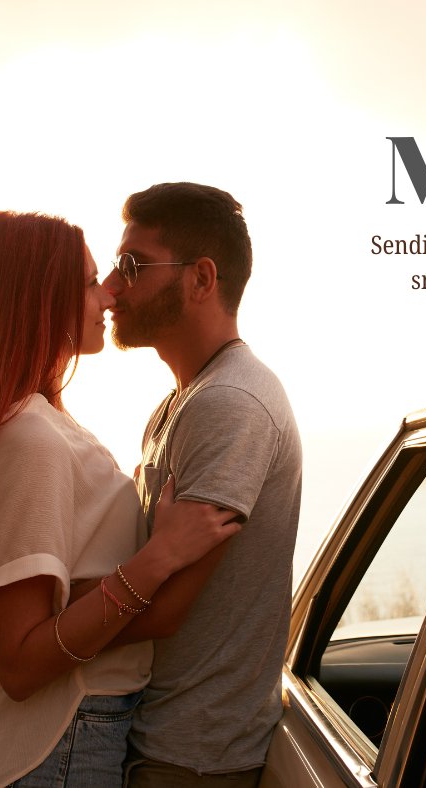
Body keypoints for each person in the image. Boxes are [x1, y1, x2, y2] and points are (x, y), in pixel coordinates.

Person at [0, 211, 240, 787]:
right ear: (41, 300)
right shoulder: (34, 439)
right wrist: (159, 558)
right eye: (93, 280)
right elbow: (20, 664)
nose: (110, 294)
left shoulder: (40, 425)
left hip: (65, 738)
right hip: (57, 745)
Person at [102, 182, 302, 787]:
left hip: (190, 759)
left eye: (133, 266)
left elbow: (164, 609)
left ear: (201, 278)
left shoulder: (228, 404)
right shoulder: (182, 402)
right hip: (166, 740)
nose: (113, 287)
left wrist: (39, 627)